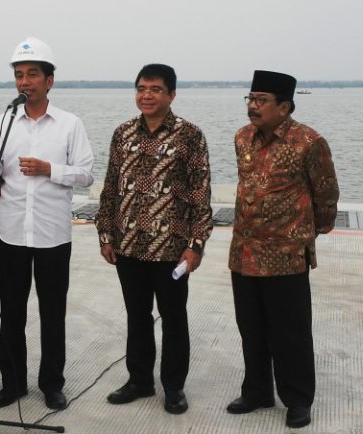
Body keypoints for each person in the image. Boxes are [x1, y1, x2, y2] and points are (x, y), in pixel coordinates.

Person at [0, 36, 94, 410]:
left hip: (52, 235)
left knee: (52, 314)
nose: (24, 81)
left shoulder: (69, 124)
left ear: (49, 80)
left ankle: (52, 384)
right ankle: (12, 383)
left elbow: (86, 174)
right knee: (11, 313)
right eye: (19, 75)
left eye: (32, 74)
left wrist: (50, 169)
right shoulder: (4, 122)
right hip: (11, 232)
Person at [95, 64, 213, 415]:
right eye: (141, 88)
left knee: (173, 318)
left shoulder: (189, 135)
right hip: (128, 244)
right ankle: (140, 380)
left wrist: (195, 245)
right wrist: (105, 235)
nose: (147, 95)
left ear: (171, 95)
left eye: (156, 89)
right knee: (137, 316)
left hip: (171, 248)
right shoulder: (122, 134)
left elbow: (200, 194)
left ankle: (173, 387)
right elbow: (111, 187)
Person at [226, 70, 339, 429]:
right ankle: (257, 391)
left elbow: (326, 191)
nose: (253, 106)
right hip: (245, 252)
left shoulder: (309, 141)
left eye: (261, 100)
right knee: (251, 327)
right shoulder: (242, 137)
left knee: (290, 332)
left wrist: (310, 230)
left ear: (285, 107)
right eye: (251, 99)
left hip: (286, 255)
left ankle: (298, 399)